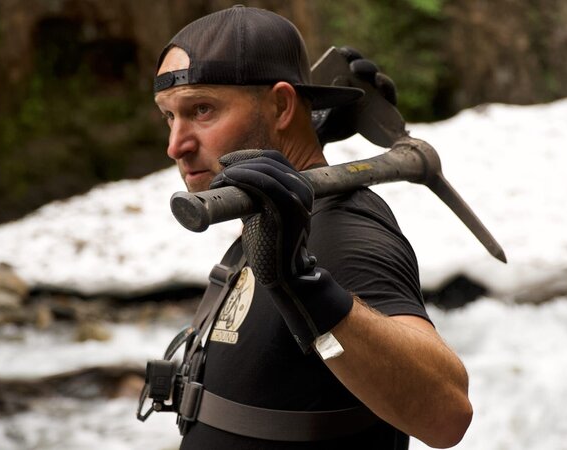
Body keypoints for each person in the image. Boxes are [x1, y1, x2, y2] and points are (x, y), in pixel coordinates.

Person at [152, 5, 472, 449]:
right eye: (170, 115)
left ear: (282, 105)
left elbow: (447, 414)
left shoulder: (342, 229)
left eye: (202, 110)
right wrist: (305, 134)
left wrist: (299, 283)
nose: (175, 145)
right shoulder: (278, 215)